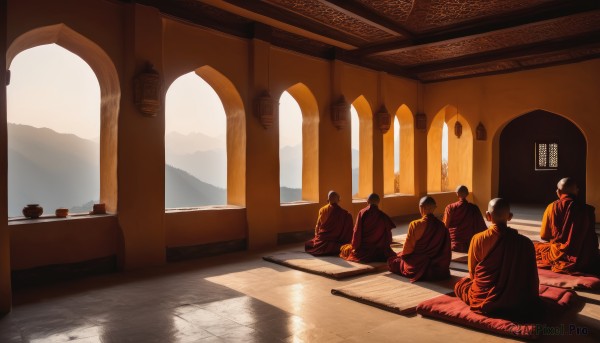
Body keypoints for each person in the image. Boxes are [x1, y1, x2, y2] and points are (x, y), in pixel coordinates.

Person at [454, 198, 541, 320]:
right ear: (510, 216)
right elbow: (531, 277)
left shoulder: (478, 239)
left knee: (461, 284)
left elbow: (473, 273)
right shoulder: (525, 243)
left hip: (485, 297)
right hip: (518, 299)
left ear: (488, 216)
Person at [534, 177, 599, 275]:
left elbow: (544, 235)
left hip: (558, 254)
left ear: (558, 191)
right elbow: (592, 238)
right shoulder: (587, 209)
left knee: (534, 247)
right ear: (576, 191)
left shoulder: (552, 207)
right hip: (585, 258)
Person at [388, 196, 451, 282]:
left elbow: (407, 250)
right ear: (434, 208)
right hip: (437, 266)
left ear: (421, 207)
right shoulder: (441, 226)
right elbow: (446, 250)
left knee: (394, 261)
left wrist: (402, 256)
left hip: (417, 265)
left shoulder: (415, 225)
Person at [339, 193, 396, 262]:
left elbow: (357, 232)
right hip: (380, 251)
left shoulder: (363, 213)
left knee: (344, 249)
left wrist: (354, 246)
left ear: (367, 201)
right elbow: (388, 236)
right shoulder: (383, 216)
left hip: (364, 250)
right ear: (378, 202)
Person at [305, 191, 353, 256]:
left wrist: (317, 238)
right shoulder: (345, 214)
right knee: (340, 246)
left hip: (323, 239)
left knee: (308, 244)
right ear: (339, 200)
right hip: (337, 240)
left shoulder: (322, 210)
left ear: (327, 200)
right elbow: (348, 231)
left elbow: (318, 226)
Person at [443, 185, 487, 252]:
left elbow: (445, 225)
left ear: (457, 193)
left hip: (455, 241)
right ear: (467, 194)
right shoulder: (474, 208)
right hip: (470, 242)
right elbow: (481, 226)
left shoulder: (450, 207)